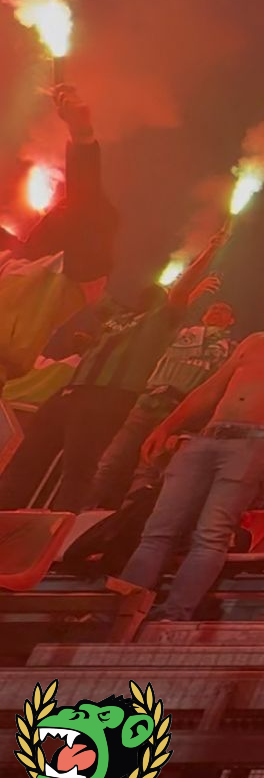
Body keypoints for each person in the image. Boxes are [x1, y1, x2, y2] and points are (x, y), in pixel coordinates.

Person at [112, 279, 264, 621]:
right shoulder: (255, 341)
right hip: (210, 436)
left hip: (258, 441)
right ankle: (121, 612)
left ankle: (175, 612)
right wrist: (166, 426)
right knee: (158, 529)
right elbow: (211, 389)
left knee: (212, 532)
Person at [0, 229, 227, 510]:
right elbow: (91, 286)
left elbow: (181, 292)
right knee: (27, 458)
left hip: (108, 399)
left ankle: (58, 528)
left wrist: (209, 252)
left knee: (78, 470)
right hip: (69, 393)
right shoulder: (117, 317)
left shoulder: (161, 320)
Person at [0, 85, 117, 382]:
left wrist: (82, 136)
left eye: (65, 210)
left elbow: (87, 206)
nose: (57, 210)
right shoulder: (12, 260)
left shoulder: (70, 279)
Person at [90, 296, 237, 508]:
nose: (216, 313)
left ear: (231, 321)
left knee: (147, 470)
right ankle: (81, 512)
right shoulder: (180, 334)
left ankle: (127, 519)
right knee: (110, 461)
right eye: (213, 309)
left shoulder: (231, 350)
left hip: (178, 411)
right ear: (204, 315)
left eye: (223, 311)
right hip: (147, 402)